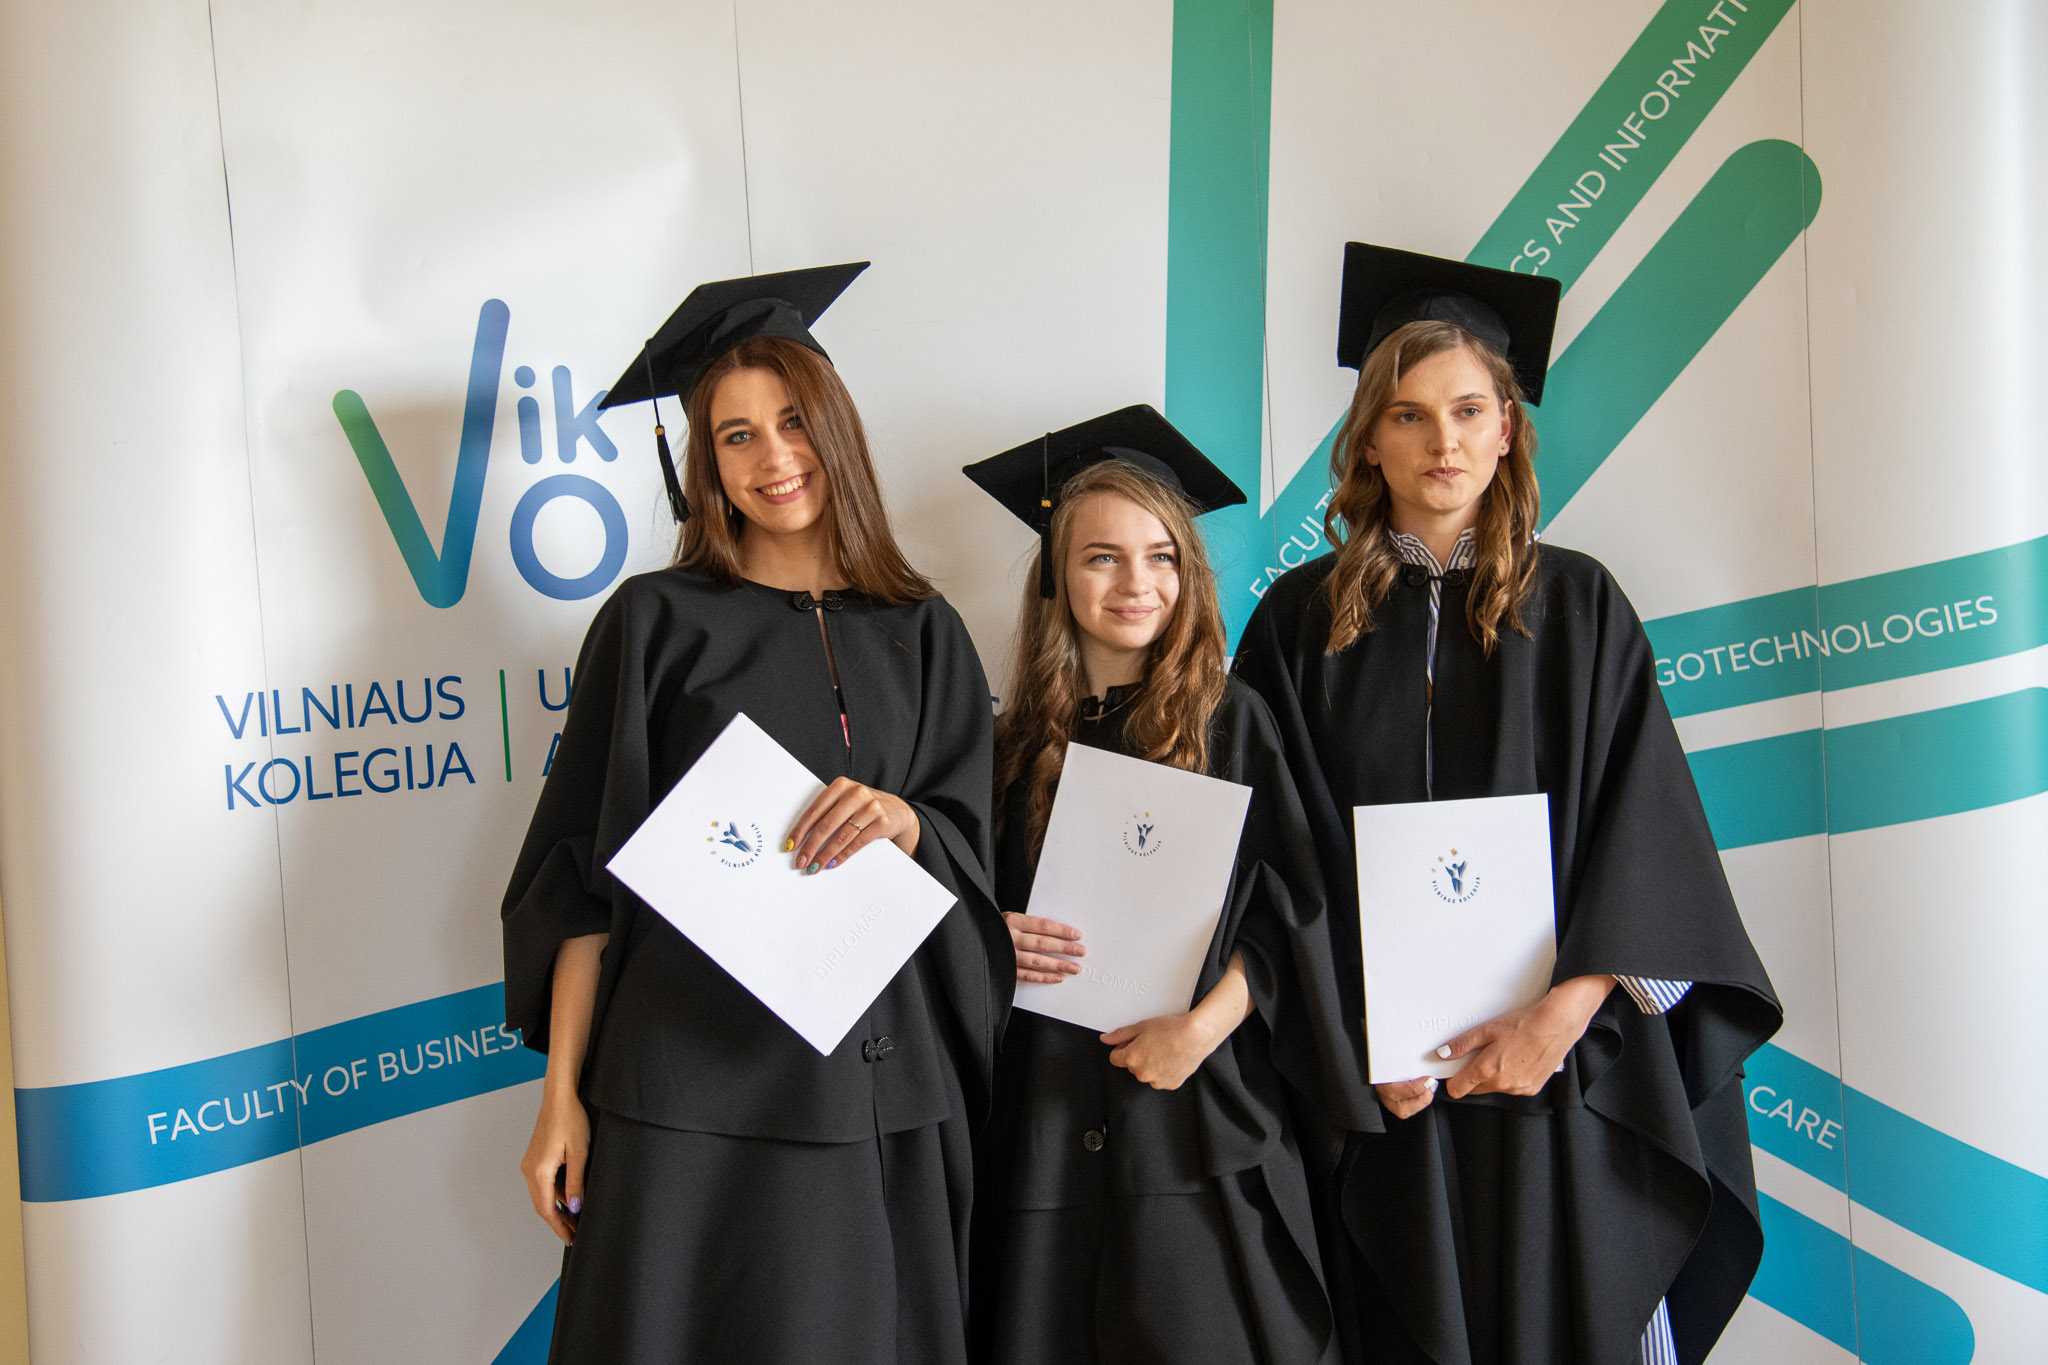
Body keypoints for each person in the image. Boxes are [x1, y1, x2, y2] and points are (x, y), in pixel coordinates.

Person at [1232, 244, 1782, 1365]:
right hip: (1380, 1095)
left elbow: (1649, 835)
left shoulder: (1578, 606)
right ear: (1368, 439)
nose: (1441, 442)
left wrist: (1563, 1015)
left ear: (1505, 432)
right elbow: (1263, 858)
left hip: (1560, 1075)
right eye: (1408, 415)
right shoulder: (1297, 624)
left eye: (1468, 411)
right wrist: (1344, 1048)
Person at [500, 263, 1011, 1365]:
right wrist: (559, 1101)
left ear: (838, 428)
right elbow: (584, 879)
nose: (774, 457)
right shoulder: (653, 623)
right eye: (736, 436)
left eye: (792, 421)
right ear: (705, 464)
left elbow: (973, 858)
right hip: (687, 1086)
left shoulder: (925, 631)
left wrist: (906, 823)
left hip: (872, 1083)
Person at [961, 406, 1350, 1365]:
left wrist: (1201, 1029)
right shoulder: (1008, 750)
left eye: (1161, 556)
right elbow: (965, 919)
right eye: (1102, 557)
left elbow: (1295, 913)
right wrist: (988, 937)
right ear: (1056, 575)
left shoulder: (1233, 723)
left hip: (1198, 1128)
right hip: (1048, 1138)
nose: (1137, 583)